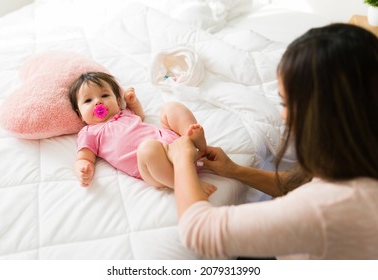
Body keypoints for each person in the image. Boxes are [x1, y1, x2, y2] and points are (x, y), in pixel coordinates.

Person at [167, 23, 378, 259]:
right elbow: (301, 185)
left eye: (286, 104)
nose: (283, 115)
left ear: (323, 113)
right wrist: (234, 170)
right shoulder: (361, 154)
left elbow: (199, 231)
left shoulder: (326, 209)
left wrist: (181, 160)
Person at [68, 71, 216, 195]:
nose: (98, 102)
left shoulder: (123, 112)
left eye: (105, 96)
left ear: (118, 101)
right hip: (155, 167)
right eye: (88, 100)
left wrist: (132, 102)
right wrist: (82, 169)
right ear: (79, 114)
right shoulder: (89, 132)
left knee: (170, 108)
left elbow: (140, 115)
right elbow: (84, 158)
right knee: (147, 148)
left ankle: (197, 143)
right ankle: (185, 185)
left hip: (176, 144)